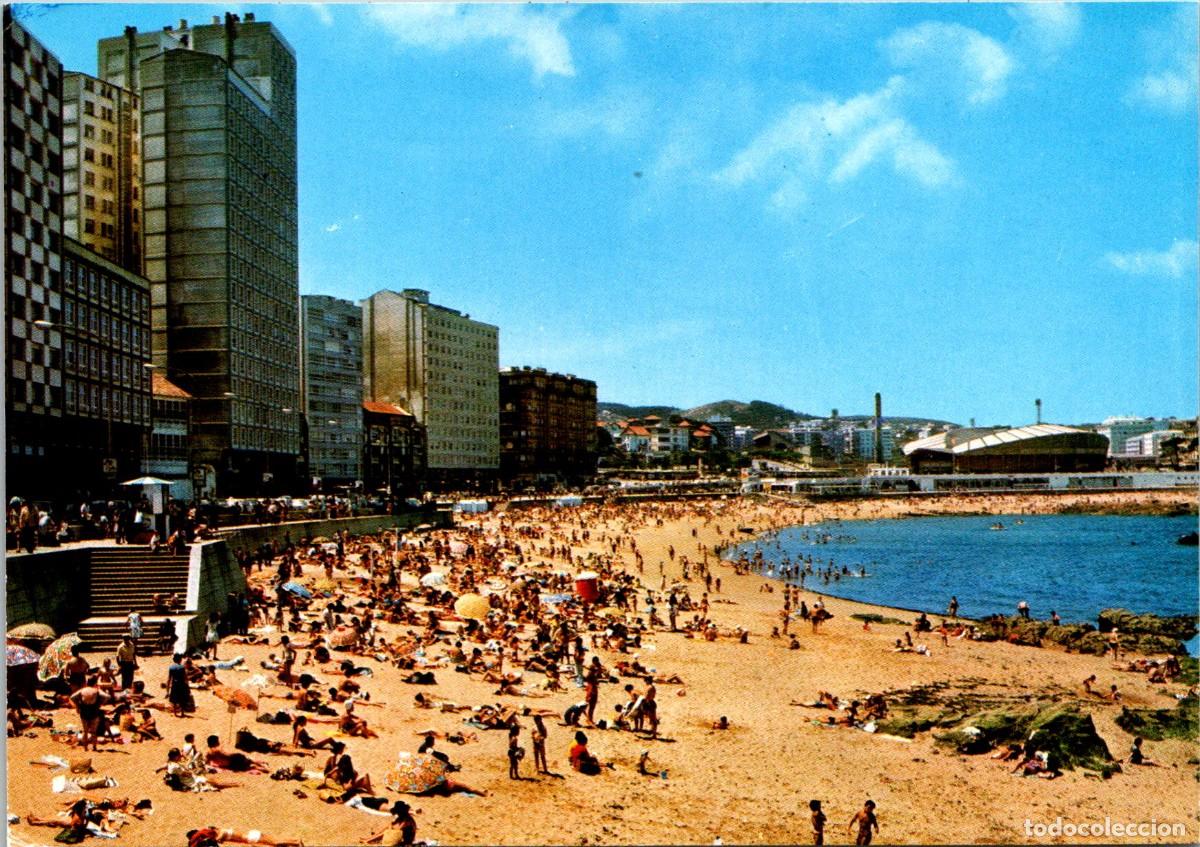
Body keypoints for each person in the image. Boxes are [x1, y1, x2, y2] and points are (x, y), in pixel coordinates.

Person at [70, 679, 110, 752]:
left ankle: (85, 748)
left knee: (85, 731)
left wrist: (78, 705)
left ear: (87, 683)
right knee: (94, 732)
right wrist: (101, 703)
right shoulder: (97, 690)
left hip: (84, 711)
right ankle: (94, 747)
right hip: (94, 711)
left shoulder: (82, 690)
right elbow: (107, 696)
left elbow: (72, 697)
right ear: (94, 683)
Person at [166, 652, 191, 717]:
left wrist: (167, 690)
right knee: (182, 699)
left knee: (174, 699)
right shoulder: (182, 667)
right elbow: (185, 678)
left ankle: (175, 713)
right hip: (181, 684)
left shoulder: (171, 667)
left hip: (174, 684)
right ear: (180, 659)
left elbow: (169, 679)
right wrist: (188, 686)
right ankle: (182, 712)